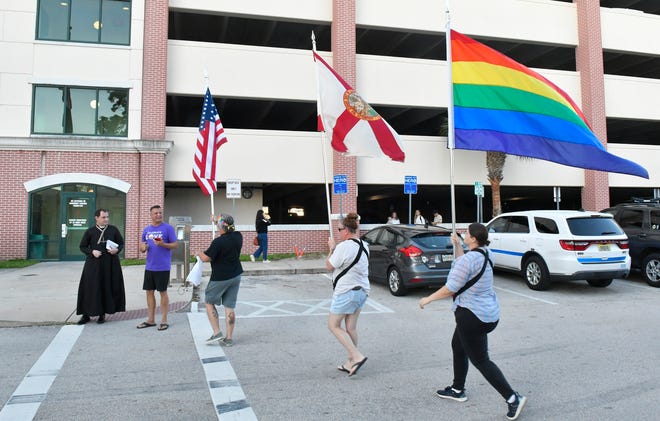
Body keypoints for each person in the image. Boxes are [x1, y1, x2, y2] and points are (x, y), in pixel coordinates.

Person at [418, 223, 527, 420]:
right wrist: (458, 245)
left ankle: (512, 398)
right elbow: (465, 266)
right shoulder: (486, 253)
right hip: (486, 313)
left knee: (481, 360)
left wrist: (428, 299)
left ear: (474, 239)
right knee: (458, 346)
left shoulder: (468, 260)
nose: (463, 234)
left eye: (466, 233)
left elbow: (451, 287)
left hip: (472, 316)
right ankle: (458, 389)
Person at [326, 213, 369, 377]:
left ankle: (357, 356)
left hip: (346, 292)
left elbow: (329, 266)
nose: (338, 232)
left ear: (346, 230)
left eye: (339, 229)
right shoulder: (364, 245)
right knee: (350, 327)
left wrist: (331, 249)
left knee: (333, 325)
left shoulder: (343, 246)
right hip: (362, 292)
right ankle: (351, 361)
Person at [198, 214, 243, 347]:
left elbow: (206, 258)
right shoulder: (238, 236)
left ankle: (217, 332)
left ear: (220, 227)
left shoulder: (218, 242)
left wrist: (199, 253)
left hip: (220, 277)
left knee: (209, 301)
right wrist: (216, 220)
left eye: (217, 224)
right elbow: (224, 224)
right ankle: (229, 339)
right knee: (229, 306)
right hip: (235, 275)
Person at [76, 208, 126, 324]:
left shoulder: (113, 230)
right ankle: (86, 314)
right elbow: (83, 246)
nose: (106, 219)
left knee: (105, 287)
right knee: (90, 288)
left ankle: (102, 314)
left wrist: (116, 250)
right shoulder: (90, 231)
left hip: (110, 264)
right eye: (103, 217)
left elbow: (121, 243)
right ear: (96, 218)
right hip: (93, 264)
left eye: (107, 217)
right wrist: (92, 252)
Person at [137, 205, 178, 331]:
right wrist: (143, 248)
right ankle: (151, 320)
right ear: (151, 215)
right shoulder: (147, 230)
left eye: (160, 213)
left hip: (163, 267)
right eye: (156, 213)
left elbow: (175, 245)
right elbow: (142, 246)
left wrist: (163, 244)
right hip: (150, 266)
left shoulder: (168, 228)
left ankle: (164, 320)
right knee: (149, 292)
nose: (159, 215)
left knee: (162, 292)